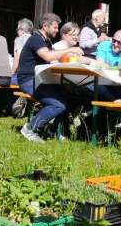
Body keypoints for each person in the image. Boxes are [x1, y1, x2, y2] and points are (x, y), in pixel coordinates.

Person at [18, 13, 83, 143]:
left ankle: (54, 131)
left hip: (41, 79)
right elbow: (48, 56)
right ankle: (30, 128)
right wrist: (68, 51)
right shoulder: (35, 39)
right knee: (58, 104)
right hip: (29, 80)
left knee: (69, 96)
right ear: (45, 26)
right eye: (55, 27)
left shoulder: (46, 41)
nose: (57, 30)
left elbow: (58, 57)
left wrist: (92, 61)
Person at [11, 18, 34, 83]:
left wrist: (11, 73)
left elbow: (17, 58)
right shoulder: (34, 39)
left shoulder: (19, 39)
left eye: (17, 29)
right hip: (35, 77)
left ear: (22, 30)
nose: (17, 31)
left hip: (23, 78)